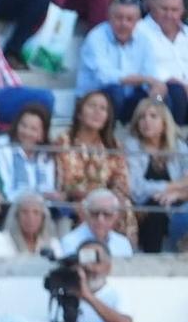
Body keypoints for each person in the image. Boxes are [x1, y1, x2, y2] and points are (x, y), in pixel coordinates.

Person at [54, 88, 135, 240]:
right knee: (89, 208)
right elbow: (67, 182)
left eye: (103, 108)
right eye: (92, 106)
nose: (97, 111)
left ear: (107, 117)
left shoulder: (113, 146)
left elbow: (121, 181)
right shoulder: (63, 141)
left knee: (124, 206)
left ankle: (123, 253)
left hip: (108, 200)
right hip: (75, 199)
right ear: (79, 113)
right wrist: (93, 197)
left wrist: (111, 197)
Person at [79, 0, 167, 121]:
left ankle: (170, 137)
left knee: (166, 94)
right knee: (115, 90)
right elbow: (104, 76)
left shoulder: (144, 40)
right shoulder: (96, 37)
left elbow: (151, 74)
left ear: (138, 21)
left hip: (130, 99)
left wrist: (157, 92)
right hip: (95, 98)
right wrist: (145, 79)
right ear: (109, 17)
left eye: (130, 19)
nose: (124, 23)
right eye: (118, 18)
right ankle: (110, 135)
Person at [123, 95, 188, 252]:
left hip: (178, 204)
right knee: (156, 207)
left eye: (153, 116)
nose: (146, 121)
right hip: (144, 206)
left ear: (164, 123)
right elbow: (136, 189)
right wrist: (174, 186)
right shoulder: (131, 146)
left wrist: (178, 194)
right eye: (142, 117)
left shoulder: (178, 146)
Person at [68, 240, 133, 322]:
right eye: (85, 260)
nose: (89, 267)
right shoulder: (65, 293)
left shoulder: (118, 294)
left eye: (96, 261)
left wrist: (89, 297)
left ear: (108, 267)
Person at [57, 186, 136, 256]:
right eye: (95, 213)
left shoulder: (123, 244)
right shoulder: (70, 242)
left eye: (106, 214)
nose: (100, 220)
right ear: (86, 214)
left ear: (115, 217)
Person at [3, 187, 61, 254]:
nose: (30, 218)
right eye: (24, 212)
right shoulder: (4, 241)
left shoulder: (53, 244)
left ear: (43, 217)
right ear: (17, 216)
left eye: (36, 212)